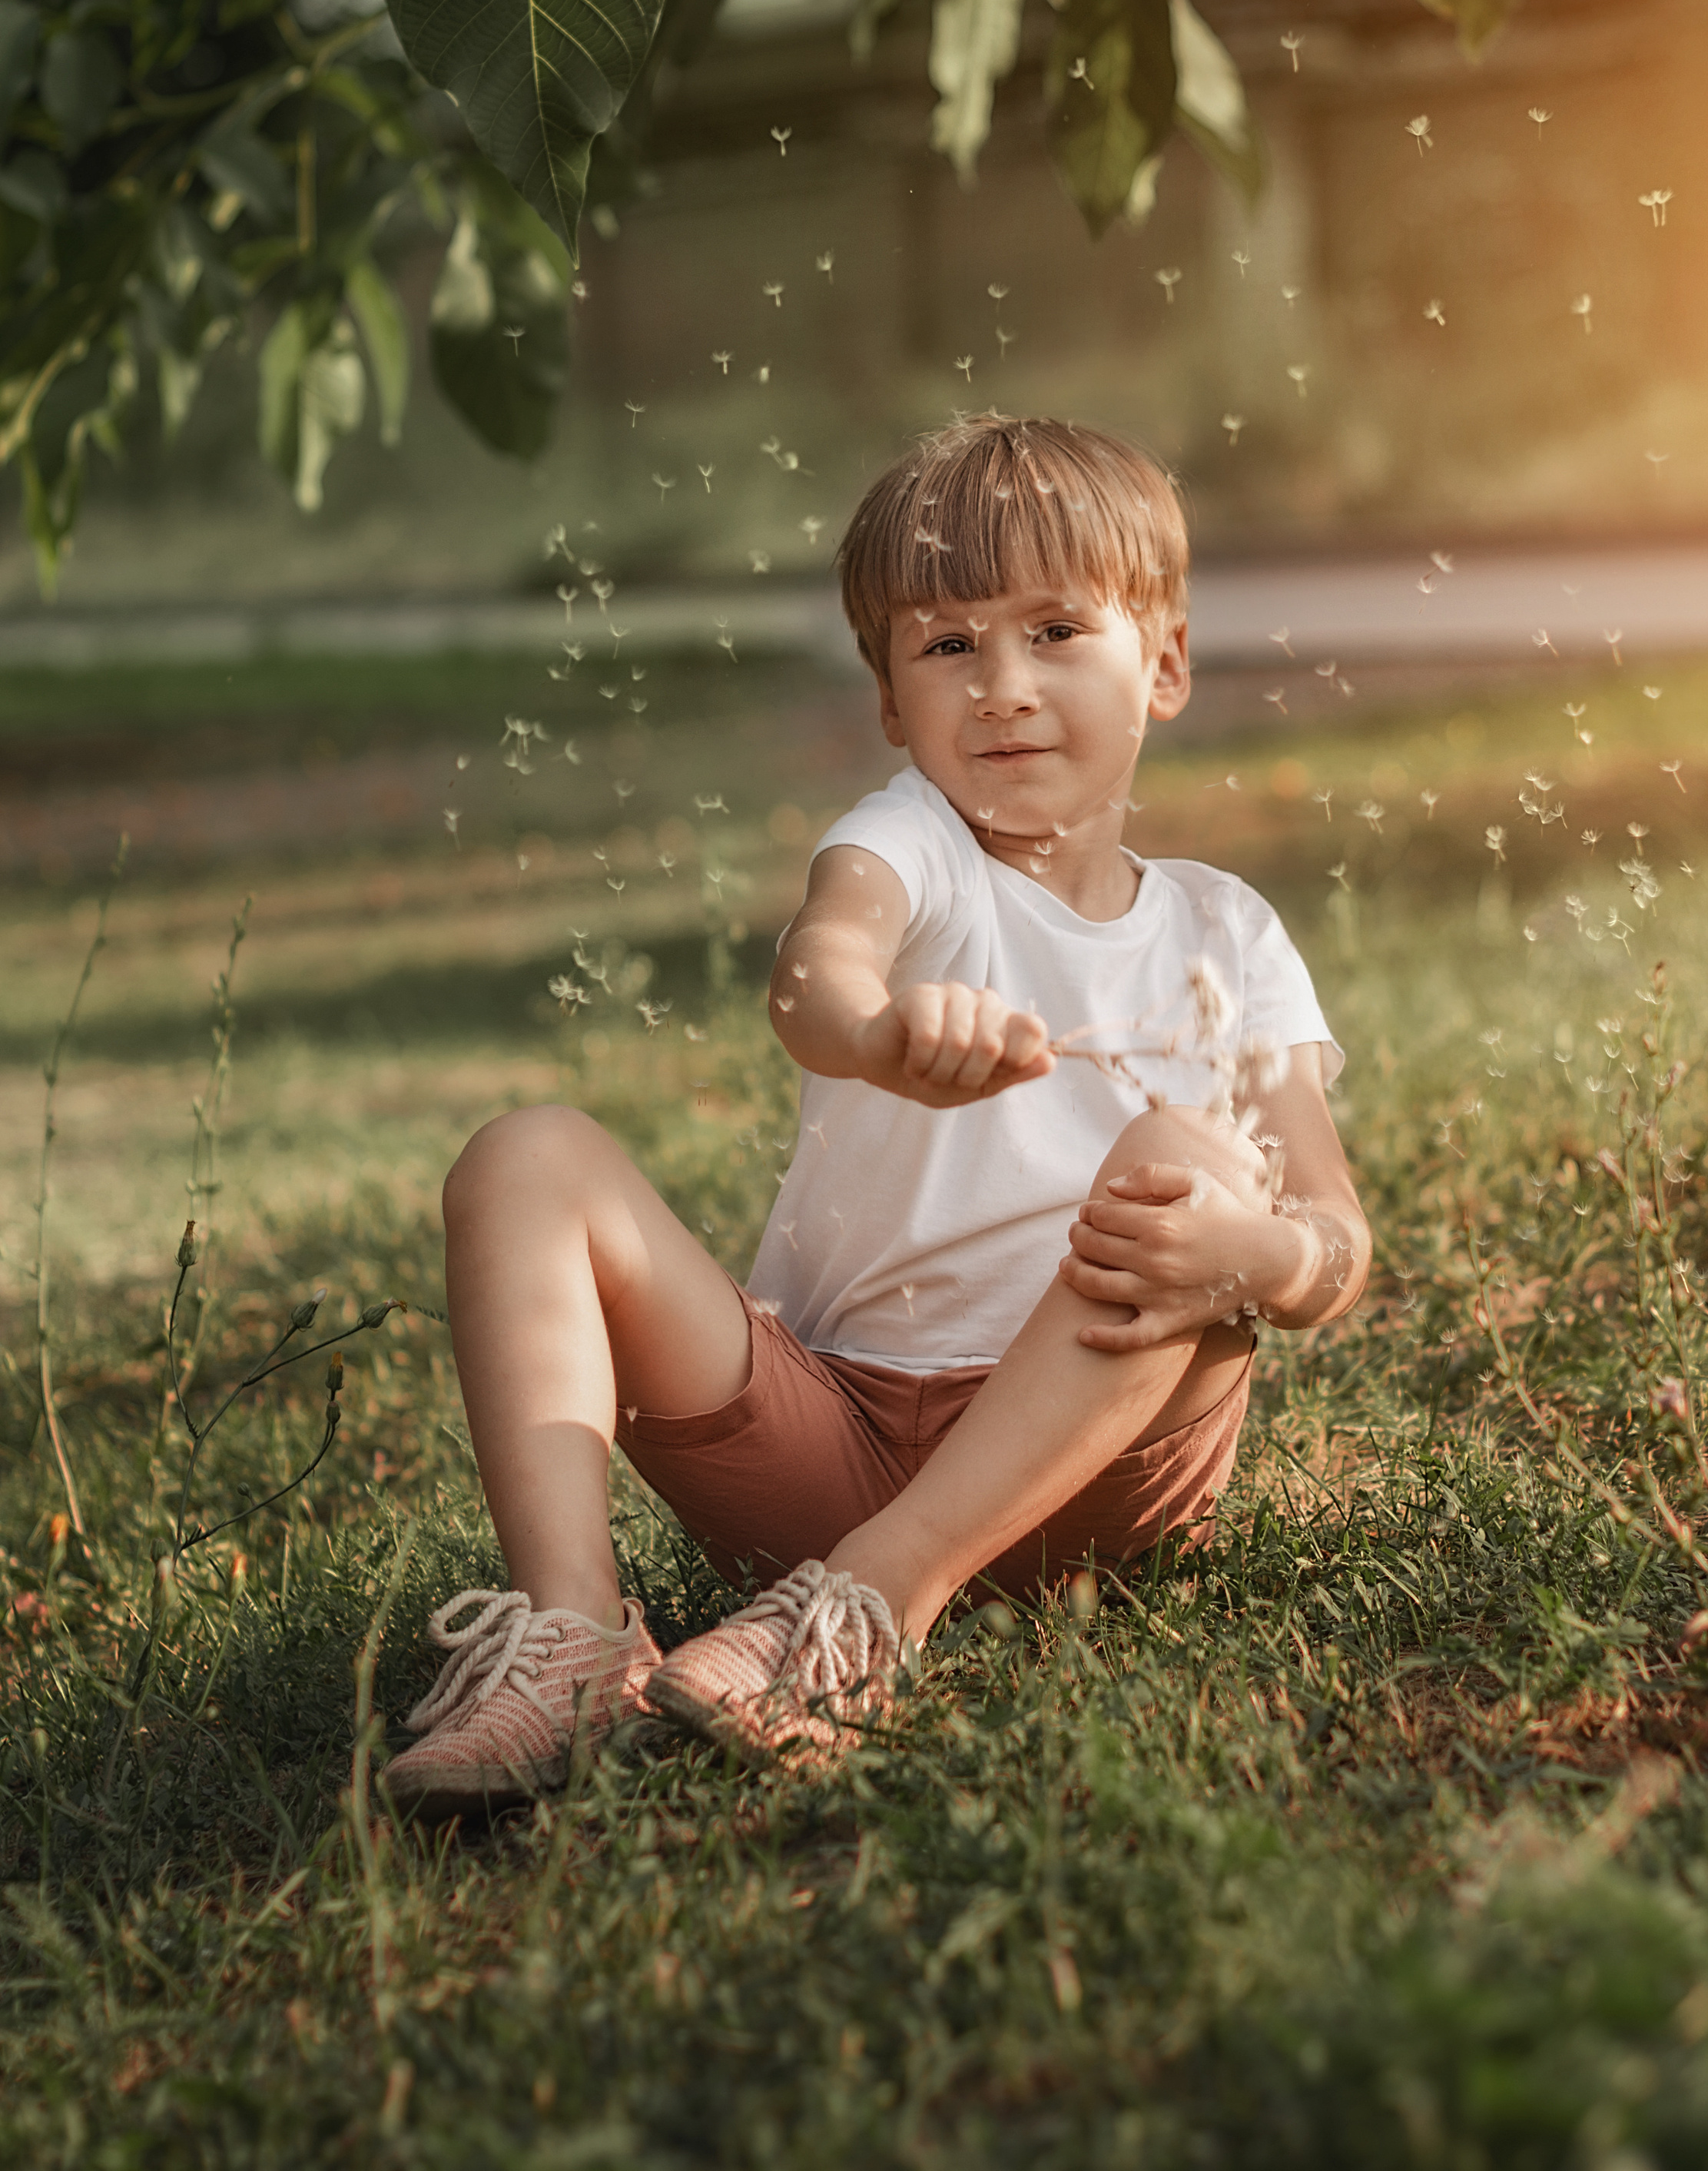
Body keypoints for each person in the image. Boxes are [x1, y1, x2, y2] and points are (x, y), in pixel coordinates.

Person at [383, 415, 1371, 1818]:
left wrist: (1258, 1258)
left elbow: (1334, 1232)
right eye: (949, 645)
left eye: (1055, 631)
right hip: (830, 1442)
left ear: (1163, 663)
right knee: (523, 1157)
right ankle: (573, 1640)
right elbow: (819, 970)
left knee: (1182, 1165)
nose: (1004, 688)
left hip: (1092, 1471)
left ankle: (876, 1605)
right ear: (893, 703)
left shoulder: (1229, 931)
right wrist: (880, 1034)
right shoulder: (910, 843)